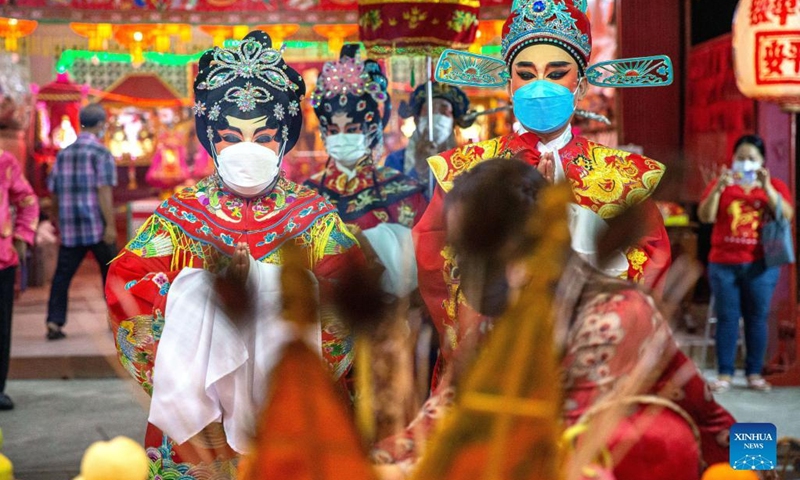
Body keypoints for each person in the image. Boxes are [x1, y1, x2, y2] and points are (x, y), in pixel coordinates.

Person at [374, 159, 735, 479]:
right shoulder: (502, 318)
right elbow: (447, 414)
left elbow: (555, 450)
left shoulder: (615, 314)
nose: (462, 266)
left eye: (478, 249)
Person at [105, 31, 363, 478]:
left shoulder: (317, 220)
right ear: (210, 138)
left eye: (262, 137)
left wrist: (262, 295)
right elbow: (126, 296)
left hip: (293, 418)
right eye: (230, 136)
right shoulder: (177, 219)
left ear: (285, 139)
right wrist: (197, 297)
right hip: (199, 431)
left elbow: (351, 305)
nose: (247, 149)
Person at [413, 0, 671, 382]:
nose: (540, 87)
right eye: (526, 74)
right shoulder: (465, 169)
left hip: (588, 363)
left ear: (581, 85)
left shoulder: (622, 176)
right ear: (508, 84)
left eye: (556, 73)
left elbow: (650, 265)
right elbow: (436, 260)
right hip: (494, 362)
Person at [305, 45, 427, 298]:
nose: (342, 138)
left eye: (351, 129)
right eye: (334, 130)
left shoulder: (403, 192)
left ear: (371, 130)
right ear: (324, 134)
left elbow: (427, 265)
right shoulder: (307, 196)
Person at [697, 134, 793, 393]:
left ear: (762, 161)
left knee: (757, 318)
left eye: (751, 158)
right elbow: (705, 216)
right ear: (733, 160)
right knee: (728, 318)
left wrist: (767, 188)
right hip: (723, 263)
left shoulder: (774, 185)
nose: (745, 163)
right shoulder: (723, 184)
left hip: (761, 264)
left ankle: (753, 373)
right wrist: (718, 187)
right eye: (741, 158)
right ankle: (725, 374)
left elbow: (787, 214)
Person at [45, 103, 117, 340]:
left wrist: (57, 220)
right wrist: (110, 225)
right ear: (100, 125)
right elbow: (103, 191)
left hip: (71, 228)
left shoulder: (63, 154)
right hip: (96, 226)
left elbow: (53, 192)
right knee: (112, 274)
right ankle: (117, 322)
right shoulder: (100, 153)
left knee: (62, 275)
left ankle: (54, 322)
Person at [0, 151, 39, 410]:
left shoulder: (3, 161)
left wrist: (23, 235)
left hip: (1, 259)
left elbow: (27, 200)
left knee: (1, 327)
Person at [384, 83, 473, 196]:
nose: (436, 115)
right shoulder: (396, 160)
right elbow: (393, 202)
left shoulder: (468, 162)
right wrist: (419, 170)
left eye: (444, 111)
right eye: (429, 111)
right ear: (417, 120)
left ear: (453, 122)